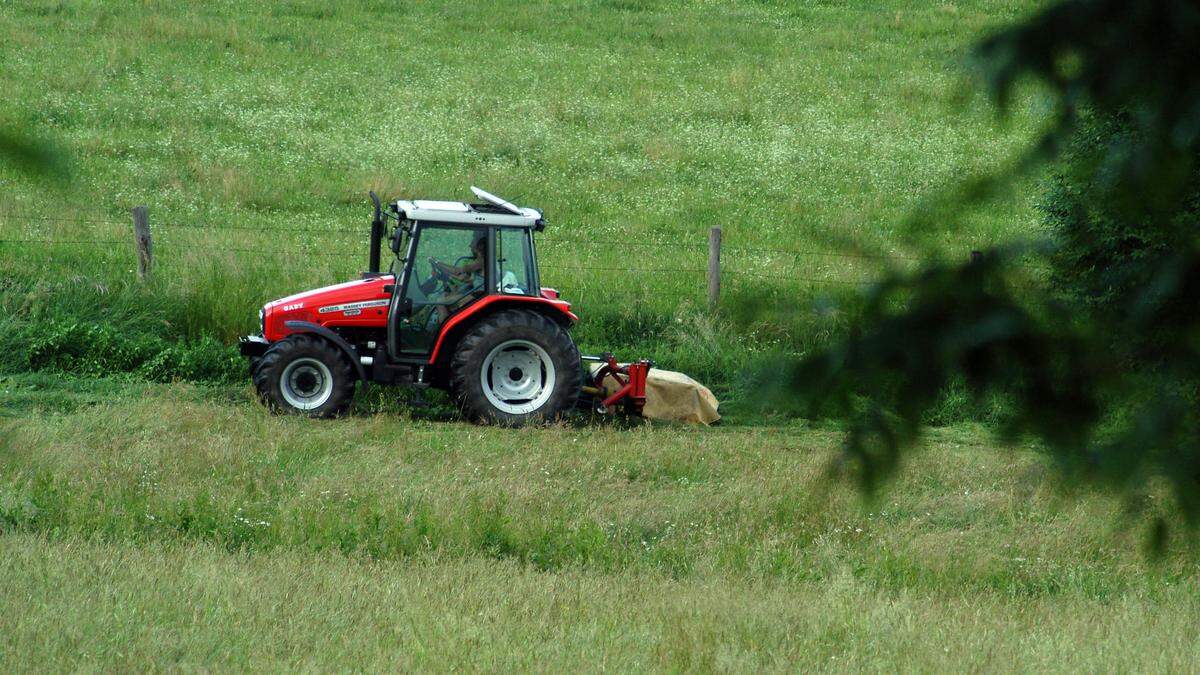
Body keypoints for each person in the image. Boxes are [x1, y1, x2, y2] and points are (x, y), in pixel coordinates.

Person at [427, 234, 486, 323]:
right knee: (450, 294)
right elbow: (463, 278)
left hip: (478, 295)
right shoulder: (484, 261)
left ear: (479, 246)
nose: (470, 245)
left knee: (440, 301)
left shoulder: (480, 261)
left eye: (473, 242)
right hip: (478, 293)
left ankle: (443, 328)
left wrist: (436, 262)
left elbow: (456, 271)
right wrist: (446, 275)